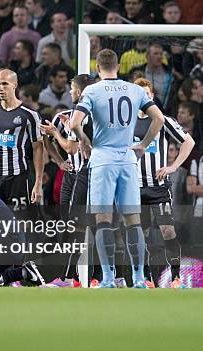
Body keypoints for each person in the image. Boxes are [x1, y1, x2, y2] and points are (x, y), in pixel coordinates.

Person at [69, 49, 166, 288]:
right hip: (127, 159)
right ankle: (139, 278)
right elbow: (159, 119)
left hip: (103, 158)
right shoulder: (134, 90)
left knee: (103, 220)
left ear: (98, 69)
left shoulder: (92, 90)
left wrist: (83, 140)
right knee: (133, 221)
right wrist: (143, 145)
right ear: (118, 66)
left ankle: (109, 278)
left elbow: (74, 123)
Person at [133, 78, 195, 288]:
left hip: (158, 186)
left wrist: (173, 166)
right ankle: (146, 278)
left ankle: (176, 277)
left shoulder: (163, 120)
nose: (145, 97)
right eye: (140, 94)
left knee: (168, 230)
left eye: (148, 94)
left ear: (152, 96)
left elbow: (189, 141)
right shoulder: (126, 121)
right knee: (141, 234)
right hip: (133, 186)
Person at [40, 73, 95, 285]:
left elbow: (70, 147)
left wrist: (56, 133)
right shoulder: (64, 115)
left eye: (72, 88)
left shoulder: (85, 116)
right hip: (71, 176)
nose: (69, 91)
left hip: (87, 175)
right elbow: (45, 139)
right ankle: (73, 277)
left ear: (80, 92)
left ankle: (71, 277)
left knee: (80, 227)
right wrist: (58, 161)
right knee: (69, 227)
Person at [0, 69, 44, 212]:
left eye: (5, 84)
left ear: (14, 85)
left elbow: (38, 148)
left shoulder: (29, 115)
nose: (0, 88)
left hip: (17, 177)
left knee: (21, 222)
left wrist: (38, 182)